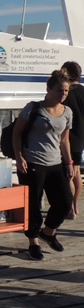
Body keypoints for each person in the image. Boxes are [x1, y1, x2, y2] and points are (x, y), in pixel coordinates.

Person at [12, 70, 74, 261]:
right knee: (33, 205)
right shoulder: (33, 108)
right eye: (59, 91)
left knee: (64, 202)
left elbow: (64, 140)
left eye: (65, 91)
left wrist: (69, 162)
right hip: (33, 162)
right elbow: (17, 133)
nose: (62, 94)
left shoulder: (67, 112)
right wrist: (19, 157)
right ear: (48, 90)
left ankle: (48, 232)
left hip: (55, 162)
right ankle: (33, 243)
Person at [62, 61, 84, 219]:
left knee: (68, 174)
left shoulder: (66, 92)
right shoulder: (83, 91)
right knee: (76, 172)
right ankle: (76, 206)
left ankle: (70, 208)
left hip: (68, 138)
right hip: (81, 138)